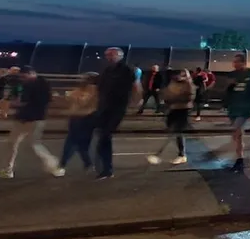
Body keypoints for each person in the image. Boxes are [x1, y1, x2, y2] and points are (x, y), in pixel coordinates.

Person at [0, 65, 64, 178]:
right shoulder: (40, 83)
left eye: (24, 76)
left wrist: (16, 103)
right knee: (26, 144)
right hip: (31, 118)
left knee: (23, 144)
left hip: (29, 118)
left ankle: (8, 170)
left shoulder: (32, 84)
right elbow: (48, 100)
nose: (23, 79)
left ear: (30, 74)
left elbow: (20, 101)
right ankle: (54, 167)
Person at [94, 48, 138, 180]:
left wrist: (134, 102)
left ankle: (106, 169)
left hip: (117, 108)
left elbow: (135, 87)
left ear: (120, 56)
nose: (108, 57)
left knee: (105, 136)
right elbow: (100, 88)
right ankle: (104, 168)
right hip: (104, 108)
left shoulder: (126, 71)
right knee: (102, 137)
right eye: (107, 55)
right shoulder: (107, 71)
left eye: (111, 55)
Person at [224, 54, 250, 173]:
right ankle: (239, 159)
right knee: (238, 135)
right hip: (233, 108)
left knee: (237, 131)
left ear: (243, 63)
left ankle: (240, 160)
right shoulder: (232, 74)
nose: (234, 64)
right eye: (234, 62)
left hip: (245, 108)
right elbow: (228, 90)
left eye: (237, 62)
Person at [147, 69, 195, 166]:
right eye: (179, 74)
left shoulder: (188, 84)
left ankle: (182, 155)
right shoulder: (173, 83)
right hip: (173, 108)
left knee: (177, 131)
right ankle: (180, 152)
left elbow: (189, 97)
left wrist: (174, 98)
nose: (180, 76)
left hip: (183, 109)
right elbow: (167, 94)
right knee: (172, 128)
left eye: (183, 75)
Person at [59, 72, 100, 172]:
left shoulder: (93, 89)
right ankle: (88, 164)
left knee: (71, 142)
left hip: (85, 118)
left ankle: (62, 165)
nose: (82, 80)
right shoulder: (83, 89)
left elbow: (83, 101)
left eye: (85, 78)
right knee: (81, 145)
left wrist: (74, 96)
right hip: (77, 117)